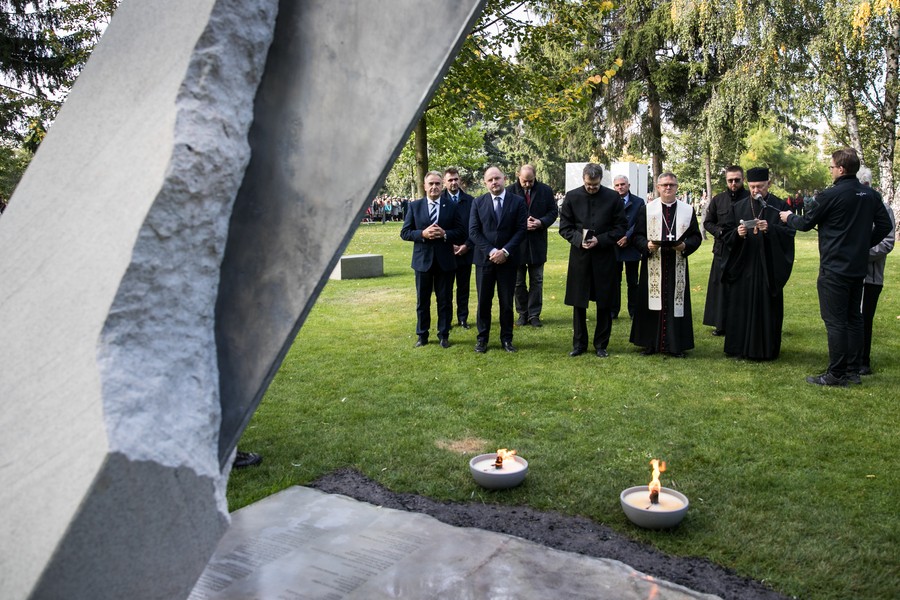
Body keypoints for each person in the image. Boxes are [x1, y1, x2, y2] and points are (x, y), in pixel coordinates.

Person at [780, 148, 892, 386]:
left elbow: (805, 223)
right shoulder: (870, 195)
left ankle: (837, 373)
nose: (830, 170)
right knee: (854, 318)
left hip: (834, 268)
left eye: (831, 167)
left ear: (841, 169)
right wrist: (863, 246)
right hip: (857, 267)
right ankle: (852, 370)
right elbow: (884, 226)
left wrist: (788, 217)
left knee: (835, 321)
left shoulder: (830, 195)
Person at [722, 167, 795, 360]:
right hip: (744, 264)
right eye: (752, 187)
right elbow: (726, 234)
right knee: (741, 305)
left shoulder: (779, 207)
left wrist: (770, 229)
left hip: (767, 266)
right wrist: (738, 234)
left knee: (766, 306)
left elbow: (789, 234)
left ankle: (765, 349)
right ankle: (738, 348)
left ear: (768, 185)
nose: (756, 191)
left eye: (760, 187)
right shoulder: (739, 206)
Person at [630, 172, 703, 357]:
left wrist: (685, 245)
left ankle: (676, 345)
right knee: (650, 303)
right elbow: (636, 236)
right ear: (658, 187)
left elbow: (696, 236)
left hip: (676, 263)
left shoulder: (687, 210)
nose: (668, 188)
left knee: (675, 304)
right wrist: (646, 245)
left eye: (671, 184)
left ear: (677, 187)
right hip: (653, 263)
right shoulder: (647, 209)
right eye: (664, 185)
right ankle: (650, 343)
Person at [558, 163, 627, 357]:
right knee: (579, 302)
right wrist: (580, 240)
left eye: (595, 185)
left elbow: (620, 226)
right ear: (583, 179)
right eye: (589, 184)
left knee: (604, 302)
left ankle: (601, 344)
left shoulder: (613, 197)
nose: (592, 188)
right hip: (580, 257)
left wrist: (601, 239)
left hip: (605, 257)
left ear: (601, 180)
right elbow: (565, 227)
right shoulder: (572, 197)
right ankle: (579, 344)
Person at [400, 171, 465, 348]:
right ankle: (422, 335)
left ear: (441, 185)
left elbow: (461, 231)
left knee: (444, 300)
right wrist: (422, 233)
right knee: (423, 301)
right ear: (425, 186)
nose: (434, 187)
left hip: (445, 261)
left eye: (437, 183)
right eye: (431, 184)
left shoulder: (451, 206)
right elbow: (404, 233)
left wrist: (445, 234)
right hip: (423, 262)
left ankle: (444, 335)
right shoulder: (415, 206)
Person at [469, 166, 527, 353]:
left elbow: (521, 230)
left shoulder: (517, 202)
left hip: (508, 262)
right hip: (484, 261)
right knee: (483, 302)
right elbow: (474, 232)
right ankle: (482, 339)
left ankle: (507, 340)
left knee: (506, 303)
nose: (494, 182)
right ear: (485, 183)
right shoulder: (478, 203)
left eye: (497, 178)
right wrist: (492, 251)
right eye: (490, 180)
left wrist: (506, 252)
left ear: (505, 178)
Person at [506, 164, 558, 327]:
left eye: (530, 181)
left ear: (535, 176)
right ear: (517, 175)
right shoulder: (509, 191)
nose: (527, 184)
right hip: (517, 244)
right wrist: (522, 224)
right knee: (518, 281)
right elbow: (505, 215)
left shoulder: (545, 190)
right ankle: (522, 313)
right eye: (524, 181)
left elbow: (553, 212)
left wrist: (541, 222)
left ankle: (534, 314)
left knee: (537, 280)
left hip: (537, 242)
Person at [703, 165, 749, 336]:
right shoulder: (718, 200)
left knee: (742, 287)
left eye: (737, 180)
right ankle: (720, 324)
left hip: (744, 249)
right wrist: (719, 232)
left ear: (742, 179)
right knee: (721, 287)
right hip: (722, 249)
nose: (734, 183)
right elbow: (708, 222)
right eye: (730, 180)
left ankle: (742, 323)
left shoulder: (750, 198)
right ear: (726, 181)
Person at [858, 167, 895, 375]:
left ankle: (864, 360)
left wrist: (860, 254)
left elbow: (887, 242)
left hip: (870, 276)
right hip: (849, 273)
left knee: (864, 317)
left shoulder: (883, 209)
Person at [441, 167, 476, 329]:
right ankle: (446, 320)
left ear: (459, 180)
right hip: (446, 252)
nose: (453, 183)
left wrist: (467, 245)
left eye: (456, 179)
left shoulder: (470, 201)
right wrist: (450, 244)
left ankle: (463, 318)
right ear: (444, 182)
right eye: (450, 180)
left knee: (463, 287)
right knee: (446, 289)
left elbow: (475, 226)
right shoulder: (438, 200)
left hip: (465, 251)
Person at [611, 174, 645, 319]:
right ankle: (613, 311)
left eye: (623, 184)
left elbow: (639, 222)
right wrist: (617, 237)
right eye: (617, 185)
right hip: (614, 245)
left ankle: (634, 311)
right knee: (614, 281)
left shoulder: (639, 202)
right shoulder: (609, 201)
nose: (620, 187)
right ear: (614, 187)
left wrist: (628, 237)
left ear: (628, 185)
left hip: (632, 246)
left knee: (633, 281)